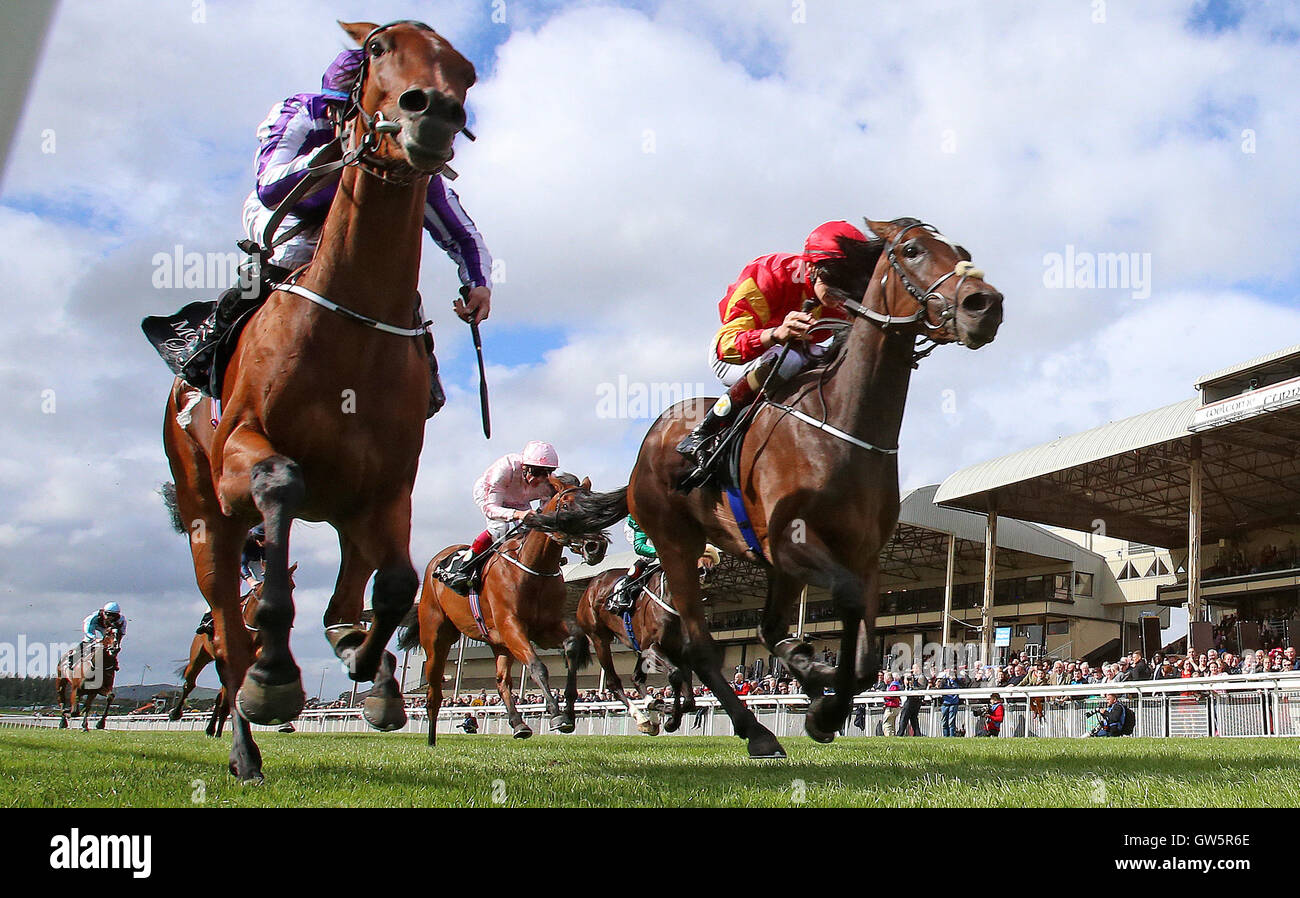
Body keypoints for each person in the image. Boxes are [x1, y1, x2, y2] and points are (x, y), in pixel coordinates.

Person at [151, 44, 492, 417]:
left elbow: (461, 232)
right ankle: (210, 341)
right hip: (291, 214)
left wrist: (478, 284)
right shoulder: (300, 111)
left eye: (351, 111)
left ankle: (419, 374)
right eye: (337, 108)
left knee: (391, 283)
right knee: (297, 254)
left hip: (358, 231)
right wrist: (339, 153)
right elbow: (270, 184)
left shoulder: (398, 148)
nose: (341, 118)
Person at [675, 221, 864, 484]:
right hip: (738, 355)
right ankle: (707, 430)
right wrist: (776, 334)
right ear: (811, 267)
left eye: (850, 283)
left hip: (800, 351)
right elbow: (726, 345)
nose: (842, 295)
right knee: (788, 358)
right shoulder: (769, 274)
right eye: (834, 282)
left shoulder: (848, 295)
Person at [437, 442, 561, 592]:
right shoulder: (504, 469)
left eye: (547, 473)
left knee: (530, 531)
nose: (542, 479)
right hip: (490, 497)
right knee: (499, 528)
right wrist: (518, 514)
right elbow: (491, 509)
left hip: (519, 501)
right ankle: (464, 567)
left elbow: (545, 511)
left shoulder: (549, 484)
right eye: (537, 472)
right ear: (525, 468)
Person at [608, 515, 657, 615]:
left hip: (657, 524)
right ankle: (623, 589)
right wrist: (659, 552)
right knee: (648, 557)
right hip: (636, 528)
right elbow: (639, 547)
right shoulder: (639, 516)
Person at [76, 602, 126, 668]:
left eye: (114, 616)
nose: (111, 617)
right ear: (104, 612)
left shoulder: (121, 620)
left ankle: (113, 661)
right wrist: (95, 639)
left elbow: (122, 633)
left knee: (112, 644)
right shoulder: (94, 618)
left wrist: (116, 643)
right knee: (88, 640)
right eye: (108, 614)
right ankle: (75, 656)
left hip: (108, 628)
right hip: (95, 625)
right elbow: (88, 632)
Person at [938, 669, 964, 737]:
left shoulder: (957, 682)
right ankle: (945, 736)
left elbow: (964, 685)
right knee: (944, 721)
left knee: (951, 722)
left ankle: (952, 736)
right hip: (945, 703)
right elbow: (940, 687)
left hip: (954, 703)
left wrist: (955, 679)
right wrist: (945, 677)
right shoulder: (944, 681)